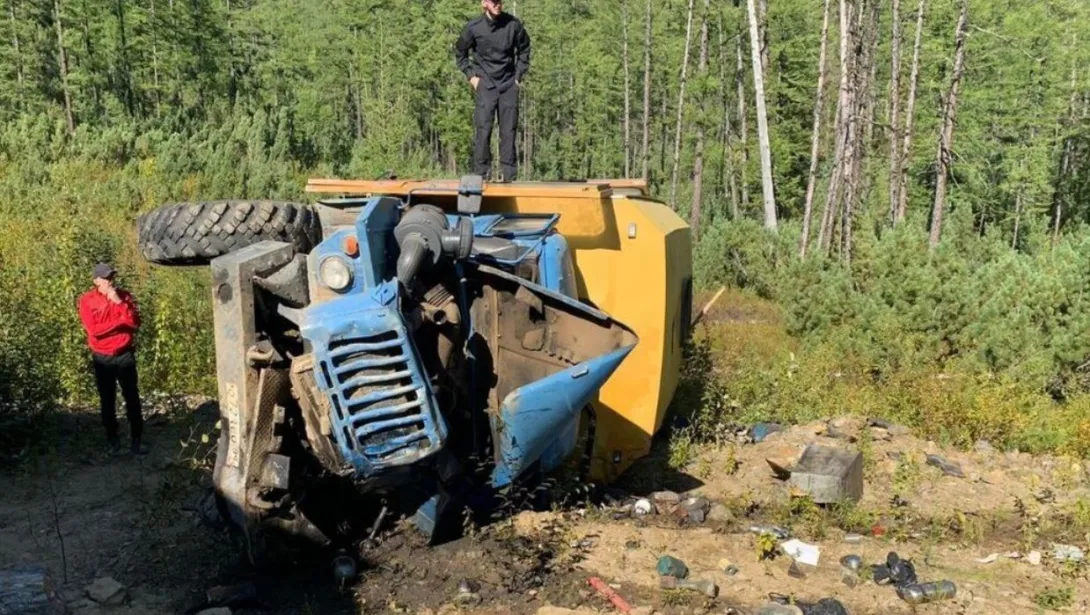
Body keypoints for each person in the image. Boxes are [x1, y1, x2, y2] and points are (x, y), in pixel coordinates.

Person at [454, 0, 531, 182]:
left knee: (509, 131)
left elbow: (525, 50)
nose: (498, 4)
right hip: (485, 85)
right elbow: (460, 53)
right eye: (494, 1)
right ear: (484, 3)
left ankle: (509, 176)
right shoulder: (473, 27)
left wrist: (518, 77)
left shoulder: (513, 25)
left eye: (500, 1)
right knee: (483, 129)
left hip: (508, 85)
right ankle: (481, 175)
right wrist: (472, 77)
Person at [77, 262, 147, 455]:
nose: (110, 281)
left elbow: (134, 322)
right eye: (105, 278)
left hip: (125, 354)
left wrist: (118, 302)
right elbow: (94, 331)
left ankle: (137, 440)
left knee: (132, 397)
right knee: (107, 400)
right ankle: (112, 441)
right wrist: (119, 321)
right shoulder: (87, 300)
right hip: (102, 357)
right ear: (96, 281)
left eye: (111, 277)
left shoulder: (123, 296)